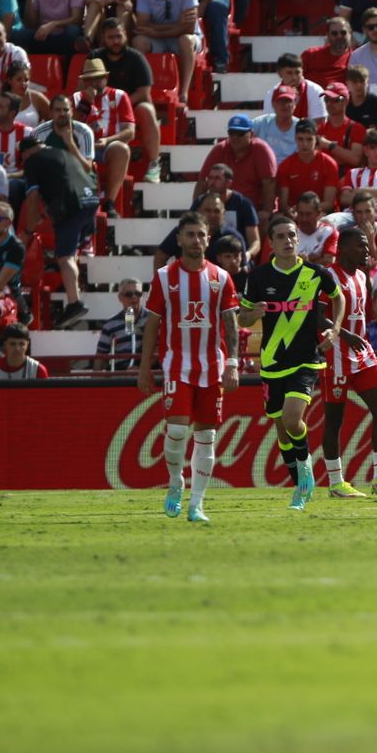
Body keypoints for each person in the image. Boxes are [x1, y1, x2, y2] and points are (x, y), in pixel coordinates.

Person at [236, 214, 346, 510]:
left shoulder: (315, 273)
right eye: (281, 236)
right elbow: (242, 317)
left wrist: (334, 329)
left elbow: (339, 298)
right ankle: (300, 486)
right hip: (272, 360)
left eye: (292, 236)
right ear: (270, 243)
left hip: (306, 359)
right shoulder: (258, 277)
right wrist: (253, 314)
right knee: (281, 428)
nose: (288, 241)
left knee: (291, 418)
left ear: (299, 240)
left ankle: (306, 466)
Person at [137, 213, 240, 522]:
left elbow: (231, 325)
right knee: (178, 429)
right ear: (179, 239)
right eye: (190, 234)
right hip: (176, 366)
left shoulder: (221, 277)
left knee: (206, 437)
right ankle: (174, 481)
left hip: (212, 367)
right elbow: (152, 325)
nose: (197, 240)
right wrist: (145, 367)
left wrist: (233, 363)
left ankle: (197, 504)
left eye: (201, 235)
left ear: (208, 239)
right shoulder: (164, 277)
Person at [319, 226, 377, 500]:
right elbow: (316, 316)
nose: (366, 250)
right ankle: (336, 482)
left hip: (362, 352)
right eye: (360, 245)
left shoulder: (362, 276)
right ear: (343, 248)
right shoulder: (329, 276)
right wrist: (344, 334)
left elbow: (360, 316)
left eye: (367, 245)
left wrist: (363, 342)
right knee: (335, 420)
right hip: (336, 355)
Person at [17, 131, 96, 327]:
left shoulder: (32, 161)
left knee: (64, 257)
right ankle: (75, 288)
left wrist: (28, 230)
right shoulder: (63, 152)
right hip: (91, 200)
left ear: (26, 153)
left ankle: (74, 303)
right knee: (70, 252)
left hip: (71, 207)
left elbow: (33, 198)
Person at [93, 276, 151, 372]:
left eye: (138, 293)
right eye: (129, 294)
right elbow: (101, 356)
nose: (134, 297)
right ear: (120, 297)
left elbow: (160, 350)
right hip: (122, 375)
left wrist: (140, 368)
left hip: (148, 372)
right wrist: (93, 383)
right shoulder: (110, 325)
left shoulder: (153, 319)